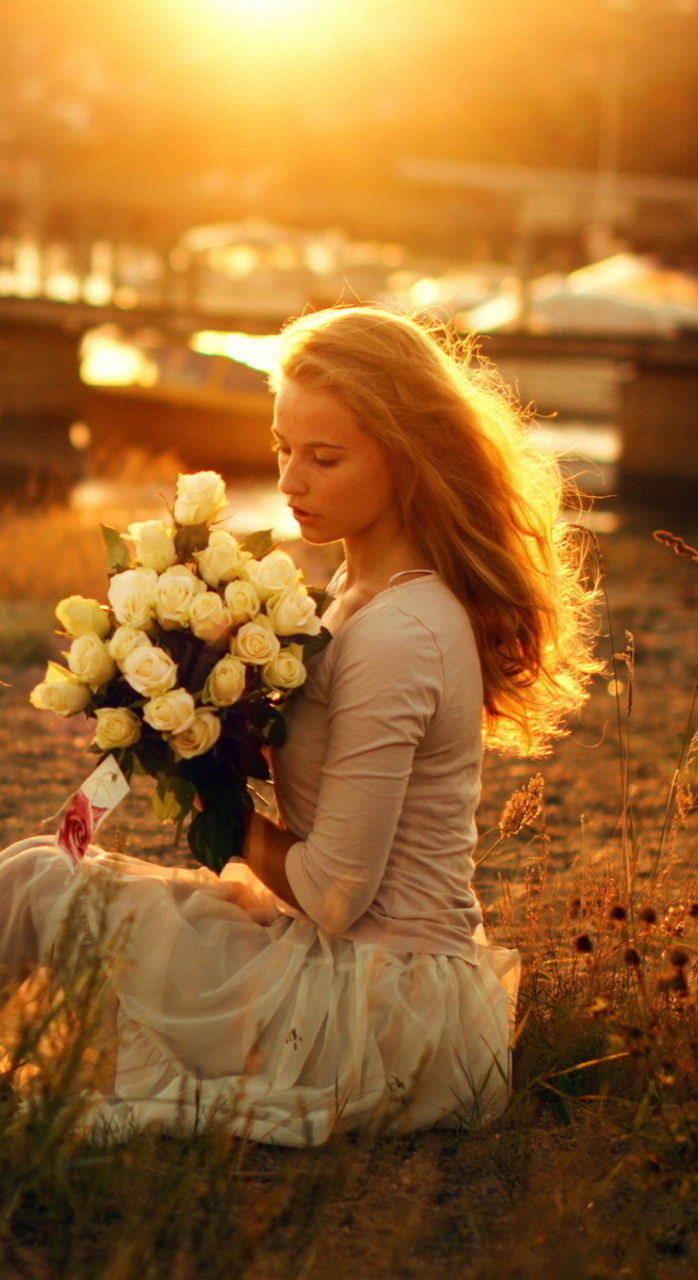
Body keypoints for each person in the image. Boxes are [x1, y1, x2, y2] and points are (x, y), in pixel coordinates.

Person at [0, 306, 598, 1145]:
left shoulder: (404, 631)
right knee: (35, 865)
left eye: (324, 458)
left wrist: (212, 799)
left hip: (377, 1007)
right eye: (283, 449)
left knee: (37, 886)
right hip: (342, 959)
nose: (289, 482)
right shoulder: (356, 595)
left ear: (409, 459)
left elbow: (334, 892)